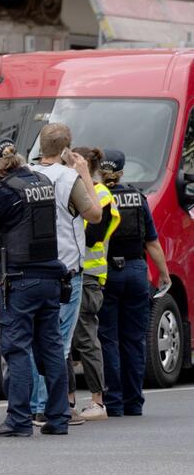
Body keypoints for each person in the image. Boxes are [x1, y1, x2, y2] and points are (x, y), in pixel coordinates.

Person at [0, 138, 69, 437]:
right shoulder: (41, 180)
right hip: (51, 276)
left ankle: (19, 420)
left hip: (20, 279)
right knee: (51, 348)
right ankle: (59, 418)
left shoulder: (3, 192)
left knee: (17, 349)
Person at [27, 123, 101, 427]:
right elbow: (94, 214)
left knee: (33, 339)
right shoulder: (69, 177)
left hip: (31, 266)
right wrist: (83, 173)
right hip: (66, 268)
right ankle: (50, 406)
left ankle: (33, 404)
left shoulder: (27, 176)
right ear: (66, 149)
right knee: (58, 341)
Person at [98, 149, 171, 418]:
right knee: (133, 339)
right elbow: (151, 241)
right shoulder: (138, 197)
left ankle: (113, 402)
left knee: (108, 338)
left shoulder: (99, 196)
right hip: (136, 271)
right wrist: (163, 273)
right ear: (122, 170)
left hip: (108, 272)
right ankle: (134, 402)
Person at [69, 146, 121, 421]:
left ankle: (98, 402)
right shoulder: (74, 190)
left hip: (89, 277)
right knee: (64, 340)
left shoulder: (100, 194)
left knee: (86, 339)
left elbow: (93, 236)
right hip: (70, 272)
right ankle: (68, 401)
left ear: (86, 166)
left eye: (74, 165)